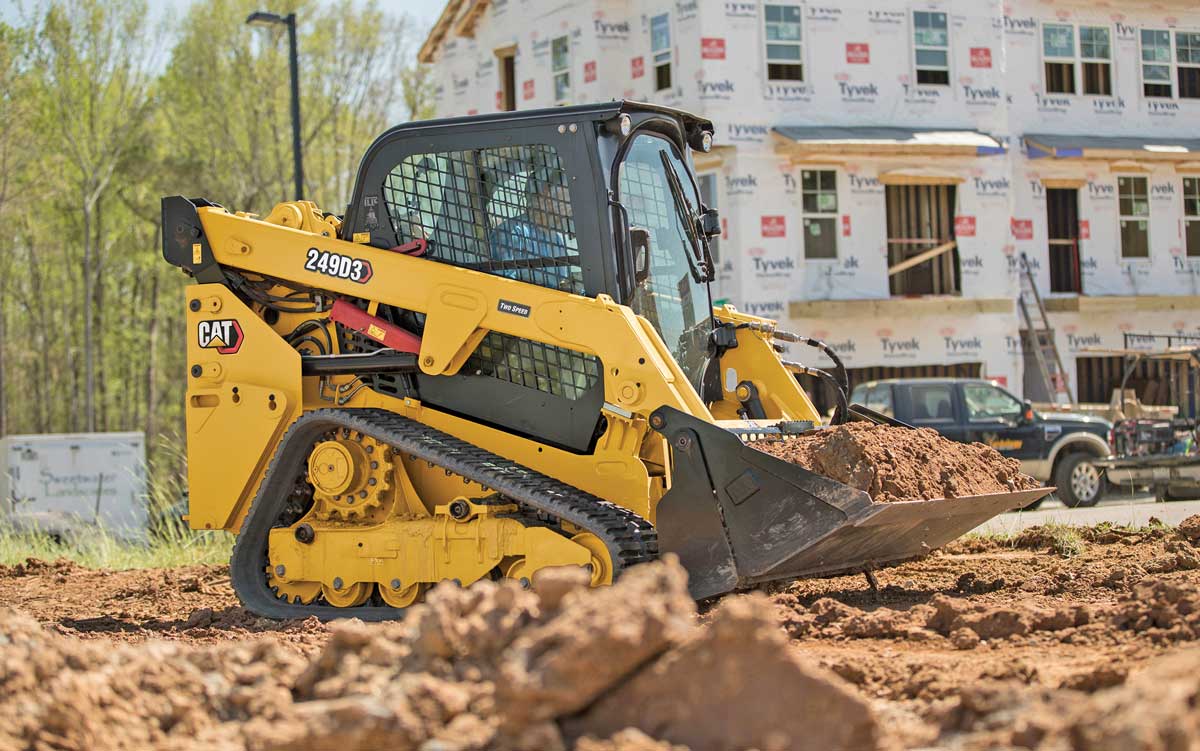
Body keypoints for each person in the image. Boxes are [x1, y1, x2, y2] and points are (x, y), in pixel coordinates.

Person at [487, 173, 579, 291]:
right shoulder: (512, 233)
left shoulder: (557, 241)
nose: (570, 207)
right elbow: (503, 288)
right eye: (567, 195)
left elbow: (561, 285)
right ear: (545, 193)